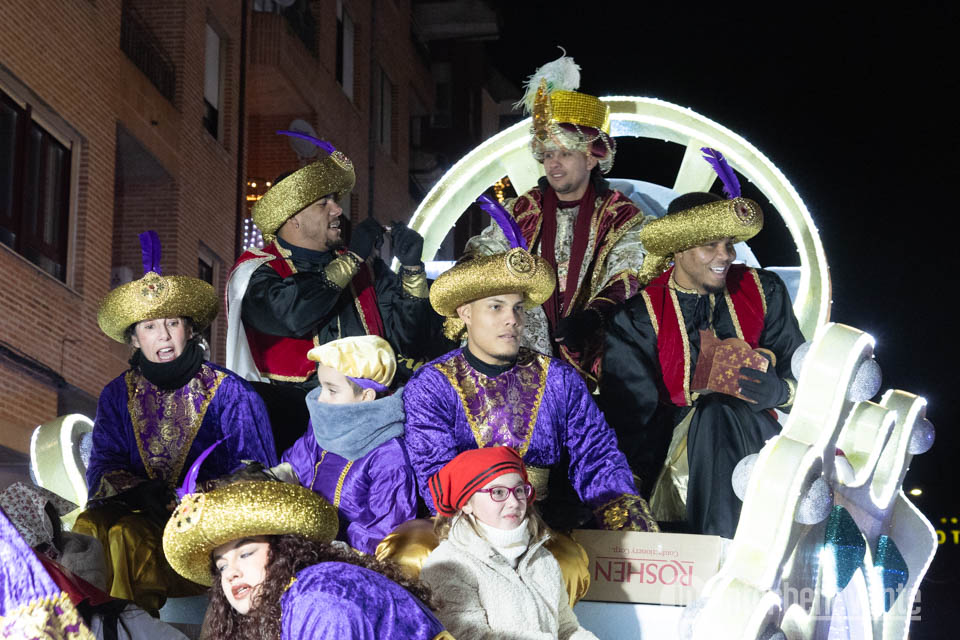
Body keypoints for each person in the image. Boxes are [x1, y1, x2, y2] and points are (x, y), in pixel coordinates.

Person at [73, 231, 277, 612]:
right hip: (140, 520)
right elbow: (102, 469)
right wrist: (139, 493)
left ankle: (127, 629)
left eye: (172, 323)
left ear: (190, 328)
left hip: (208, 539)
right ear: (135, 339)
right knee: (89, 527)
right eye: (149, 326)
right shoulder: (116, 395)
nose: (163, 336)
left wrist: (189, 497)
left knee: (126, 536)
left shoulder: (231, 393)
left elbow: (259, 478)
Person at [601, 168, 805, 538]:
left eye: (729, 244)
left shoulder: (766, 290)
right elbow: (630, 418)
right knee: (712, 412)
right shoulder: (637, 318)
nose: (725, 255)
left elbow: (806, 381)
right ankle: (716, 547)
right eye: (710, 245)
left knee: (718, 412)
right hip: (668, 460)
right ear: (679, 248)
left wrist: (780, 392)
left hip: (758, 448)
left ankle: (722, 547)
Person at [403, 242, 658, 534]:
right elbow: (436, 475)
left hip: (544, 524)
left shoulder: (559, 379)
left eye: (518, 308)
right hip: (465, 527)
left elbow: (597, 455)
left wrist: (626, 519)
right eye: (496, 307)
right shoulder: (432, 385)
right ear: (466, 314)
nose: (512, 319)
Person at [226, 132, 439, 452]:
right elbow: (292, 314)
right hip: (291, 426)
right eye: (323, 203)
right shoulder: (256, 271)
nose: (338, 210)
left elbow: (411, 341)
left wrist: (412, 270)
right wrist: (352, 259)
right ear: (293, 218)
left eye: (335, 201)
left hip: (370, 423)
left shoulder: (365, 271)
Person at [464, 54, 653, 387]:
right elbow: (487, 253)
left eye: (564, 153)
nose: (553, 164)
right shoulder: (522, 210)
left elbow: (627, 273)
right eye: (548, 154)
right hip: (523, 346)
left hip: (598, 346)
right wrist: (464, 273)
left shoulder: (620, 214)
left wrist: (592, 318)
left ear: (590, 159)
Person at [161, 471, 452, 640]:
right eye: (221, 566)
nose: (232, 573)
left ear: (284, 549)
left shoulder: (320, 599)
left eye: (246, 553)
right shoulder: (286, 601)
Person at [420, 447, 598, 640]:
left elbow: (566, 628)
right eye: (498, 492)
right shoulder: (449, 564)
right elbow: (468, 636)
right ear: (466, 503)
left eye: (519, 490)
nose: (514, 502)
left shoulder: (542, 559)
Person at [281, 335, 417, 554]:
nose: (321, 399)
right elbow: (296, 465)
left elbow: (386, 529)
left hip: (349, 556)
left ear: (366, 395)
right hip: (303, 538)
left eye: (332, 390)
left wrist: (334, 548)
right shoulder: (324, 426)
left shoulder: (389, 456)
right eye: (321, 387)